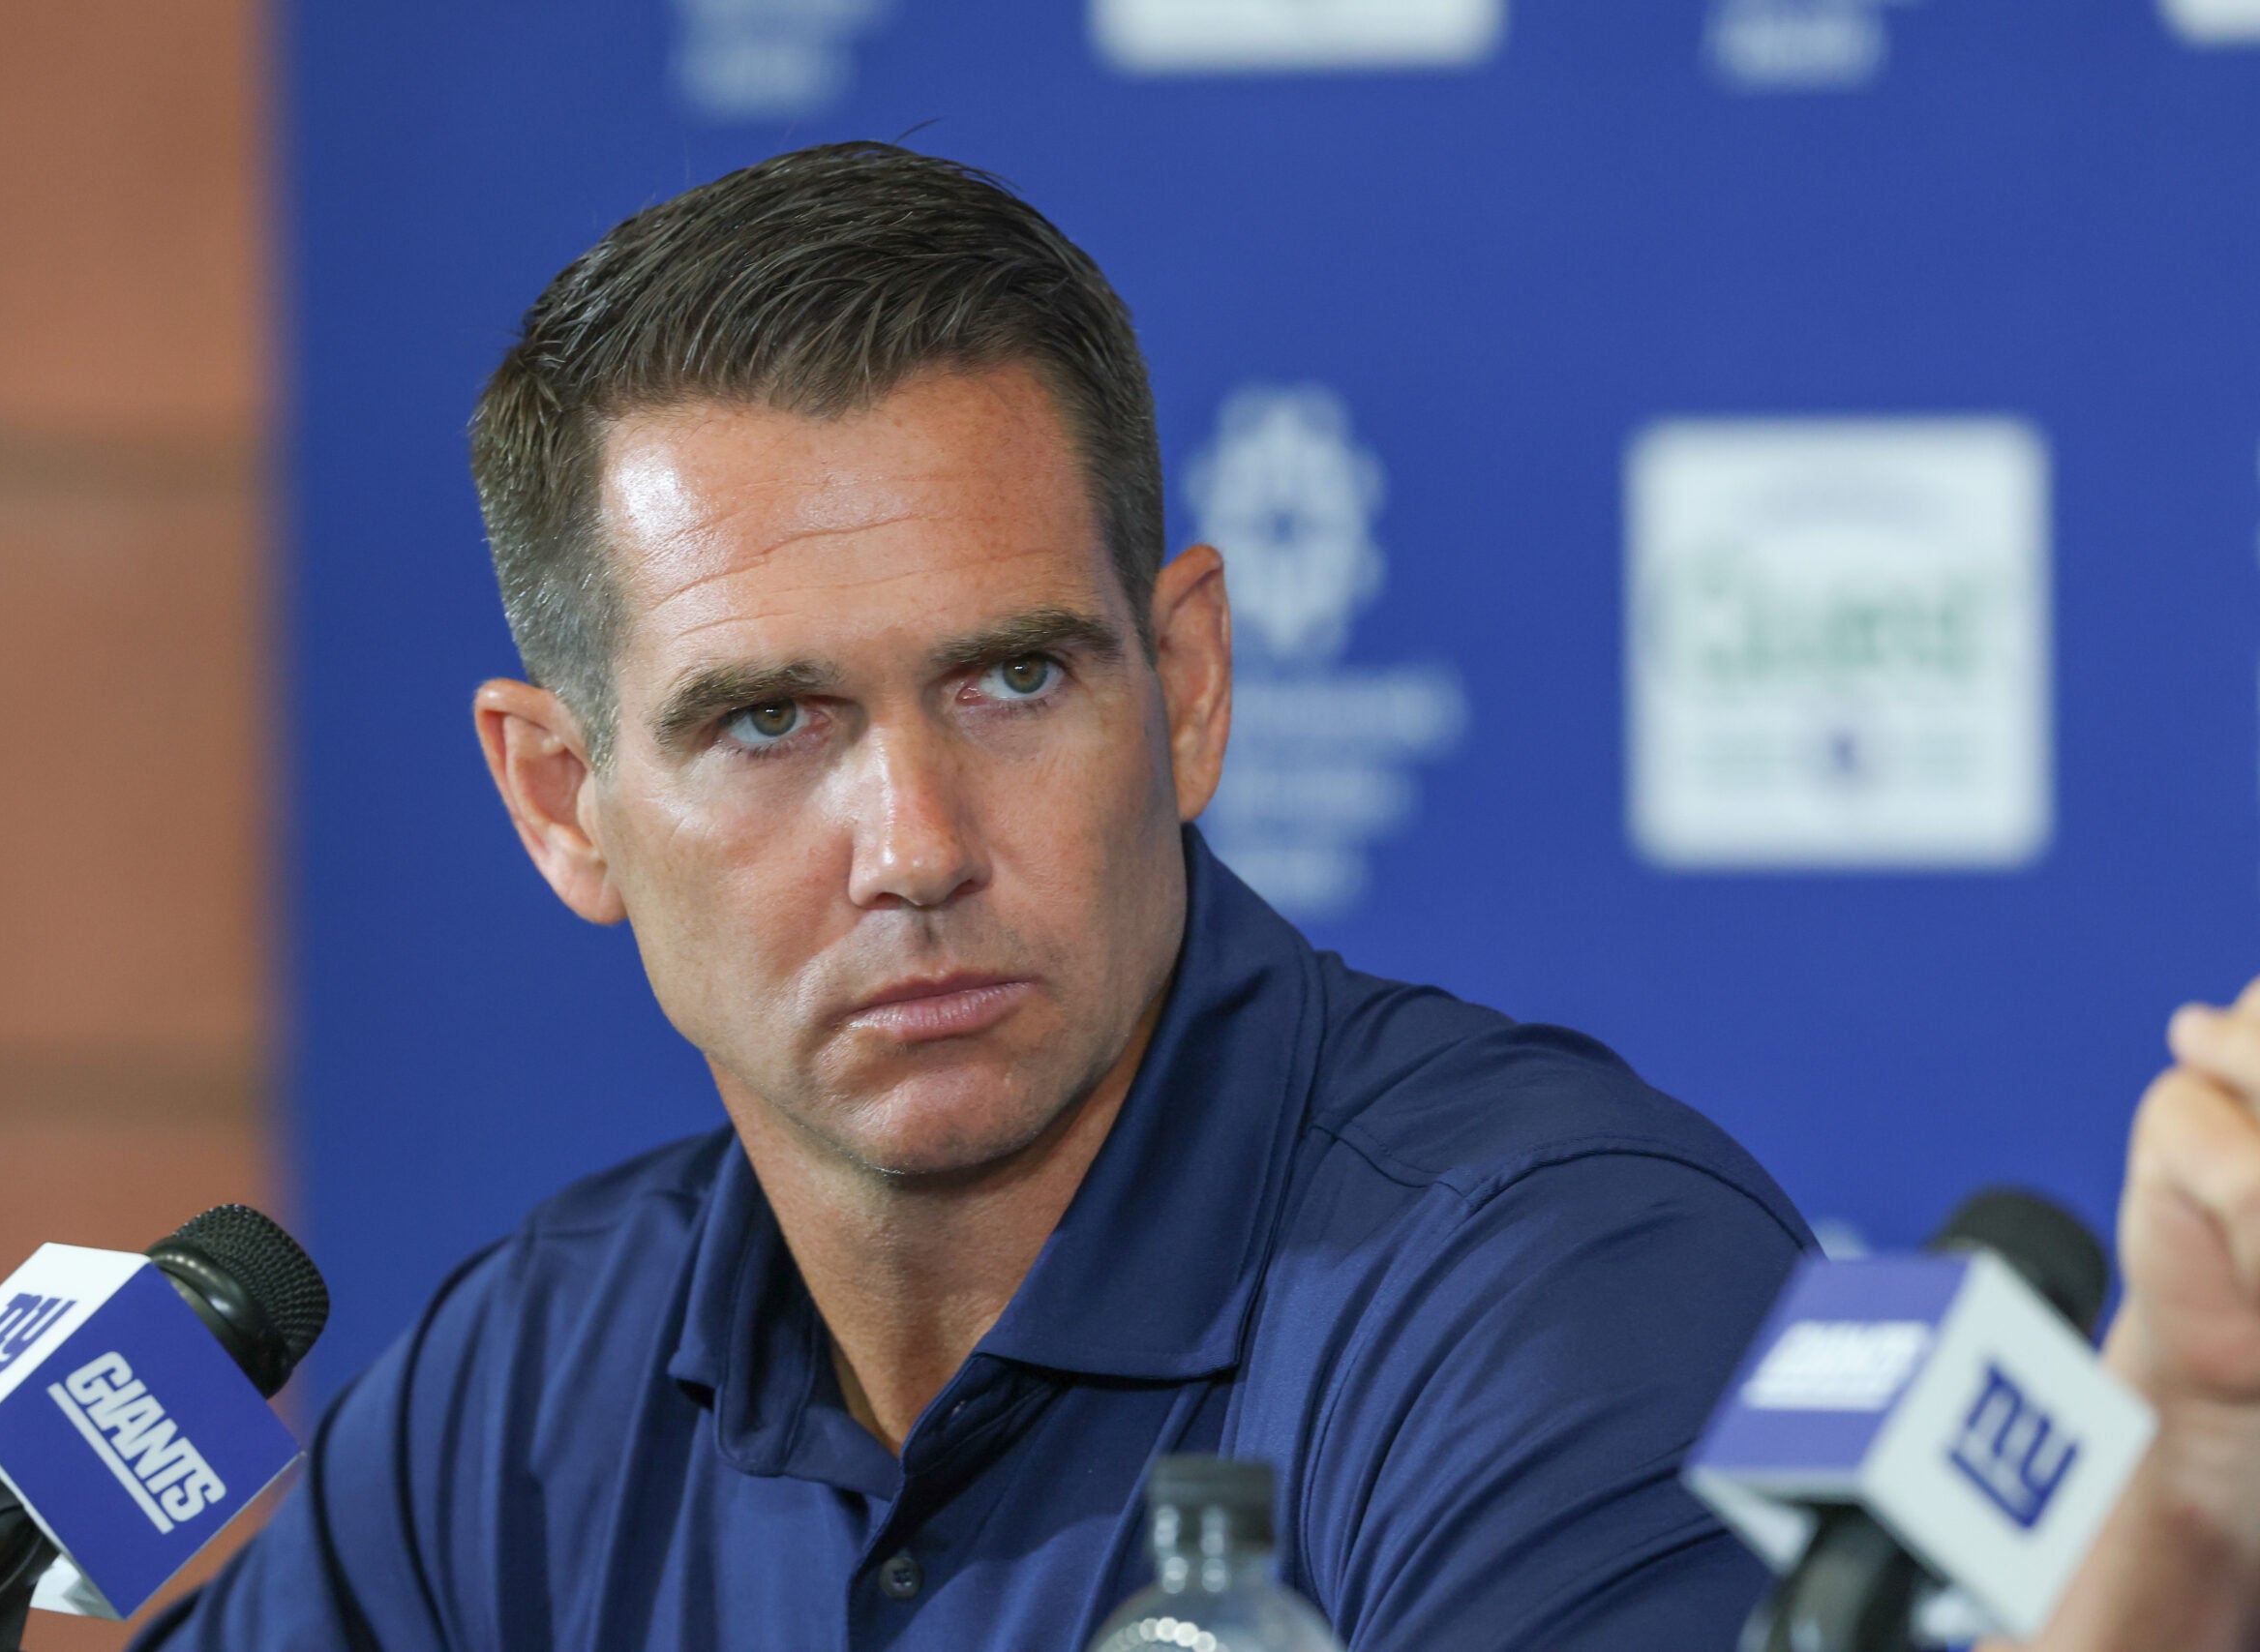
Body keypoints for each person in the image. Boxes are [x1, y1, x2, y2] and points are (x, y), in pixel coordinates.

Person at [137, 143, 2260, 1650]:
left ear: (1192, 683)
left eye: (1010, 674)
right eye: (769, 720)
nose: (916, 838)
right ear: (560, 799)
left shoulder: (1547, 1287)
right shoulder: (520, 1389)